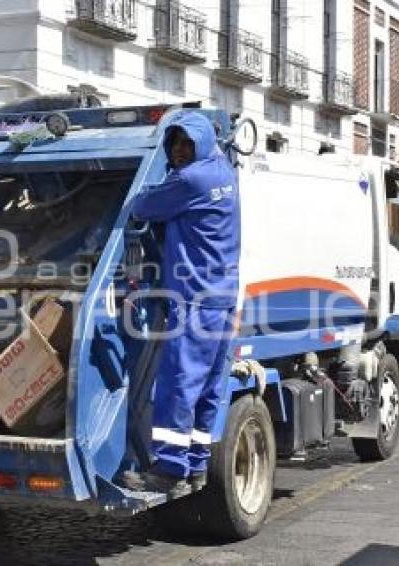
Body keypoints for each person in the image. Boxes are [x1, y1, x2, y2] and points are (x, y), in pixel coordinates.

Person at [123, 114, 241, 496]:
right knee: (207, 385)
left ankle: (170, 469)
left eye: (186, 144)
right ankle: (196, 464)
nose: (178, 152)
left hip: (194, 299)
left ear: (201, 145)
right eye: (174, 144)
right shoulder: (223, 170)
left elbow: (141, 206)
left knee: (179, 381)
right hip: (221, 296)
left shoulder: (191, 180)